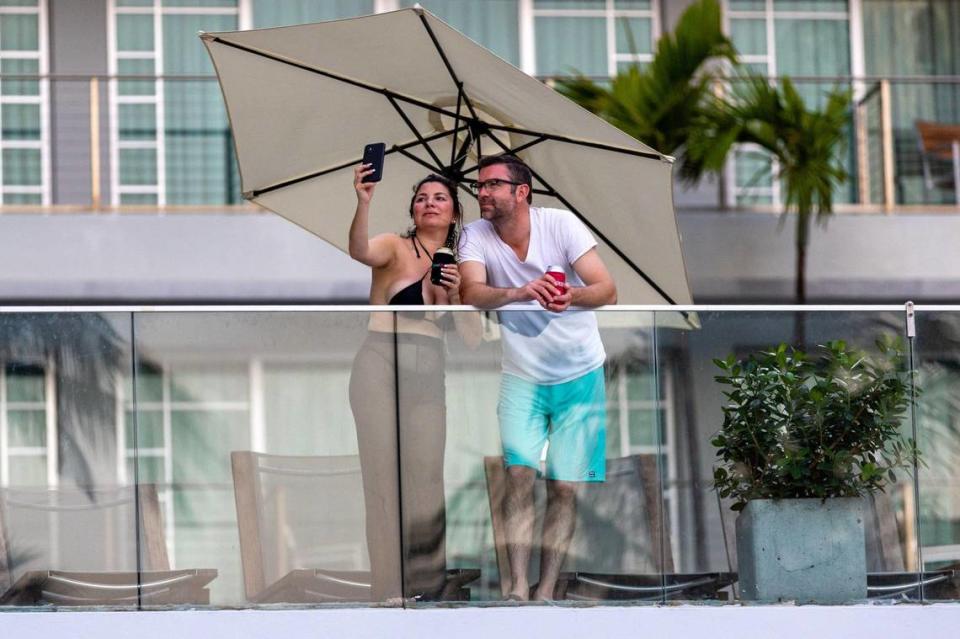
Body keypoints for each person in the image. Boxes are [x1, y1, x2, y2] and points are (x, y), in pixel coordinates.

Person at [458, 154, 616, 601]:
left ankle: (546, 590)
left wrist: (570, 295)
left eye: (491, 185)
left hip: (581, 373)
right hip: (521, 377)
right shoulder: (474, 234)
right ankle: (515, 590)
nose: (482, 193)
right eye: (479, 185)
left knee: (564, 487)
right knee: (520, 477)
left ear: (520, 191)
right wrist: (521, 291)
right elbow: (470, 292)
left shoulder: (560, 225)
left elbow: (607, 289)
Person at [348, 164, 479, 602]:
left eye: (439, 197)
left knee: (426, 480)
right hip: (380, 360)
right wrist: (364, 201)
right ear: (413, 209)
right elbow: (360, 251)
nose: (429, 203)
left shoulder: (464, 265)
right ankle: (387, 591)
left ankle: (426, 589)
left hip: (428, 369)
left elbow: (474, 340)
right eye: (421, 197)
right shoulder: (395, 246)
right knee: (382, 478)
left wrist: (459, 293)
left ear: (455, 212)